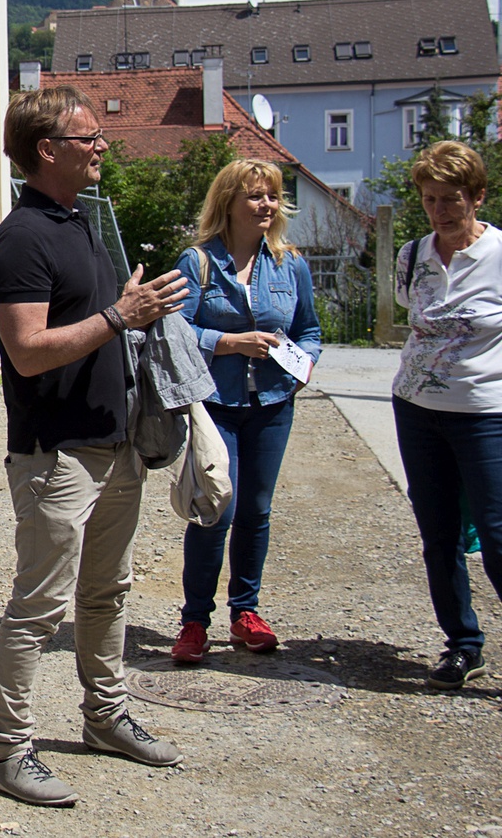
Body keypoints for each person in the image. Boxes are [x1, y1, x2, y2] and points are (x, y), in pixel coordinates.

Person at [0, 86, 189, 807]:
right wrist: (119, 315)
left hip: (113, 442)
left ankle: (106, 717)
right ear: (47, 150)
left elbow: (99, 325)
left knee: (107, 592)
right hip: (57, 453)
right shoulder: (21, 239)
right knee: (39, 607)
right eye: (89, 137)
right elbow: (28, 349)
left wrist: (134, 313)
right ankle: (7, 751)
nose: (102, 146)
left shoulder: (79, 221)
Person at [169, 159, 322, 665]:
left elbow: (309, 330)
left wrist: (304, 364)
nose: (266, 205)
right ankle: (195, 620)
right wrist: (231, 342)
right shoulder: (199, 261)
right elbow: (178, 328)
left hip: (273, 403)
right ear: (229, 202)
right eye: (255, 196)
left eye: (272, 196)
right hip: (217, 403)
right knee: (217, 508)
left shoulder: (290, 263)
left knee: (256, 510)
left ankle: (245, 613)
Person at [392, 139, 502, 691]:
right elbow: (411, 316)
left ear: (476, 196)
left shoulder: (499, 254)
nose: (439, 210)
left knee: (497, 534)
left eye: (451, 199)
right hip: (417, 410)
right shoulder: (412, 255)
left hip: (484, 412)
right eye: (430, 199)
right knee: (439, 535)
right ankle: (462, 644)